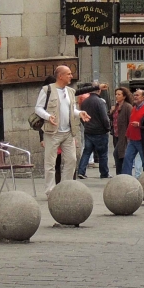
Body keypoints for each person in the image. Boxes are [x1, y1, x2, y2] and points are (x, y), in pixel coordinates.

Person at [34, 65, 89, 194]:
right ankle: (50, 190)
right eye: (68, 74)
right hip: (52, 132)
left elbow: (71, 109)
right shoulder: (47, 90)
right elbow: (38, 108)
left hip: (68, 132)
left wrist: (79, 113)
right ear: (60, 76)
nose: (71, 76)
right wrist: (48, 116)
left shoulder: (70, 91)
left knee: (72, 160)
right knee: (50, 163)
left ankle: (64, 189)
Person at [77, 82, 111, 179]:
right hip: (100, 131)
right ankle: (104, 173)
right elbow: (104, 118)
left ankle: (81, 171)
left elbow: (81, 116)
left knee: (87, 151)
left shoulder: (85, 102)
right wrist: (107, 128)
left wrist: (86, 125)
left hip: (88, 130)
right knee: (103, 154)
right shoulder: (100, 102)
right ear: (99, 90)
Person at [122, 88, 144, 175]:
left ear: (143, 97)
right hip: (133, 139)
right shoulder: (134, 108)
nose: (135, 97)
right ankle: (127, 178)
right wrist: (128, 134)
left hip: (142, 139)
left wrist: (140, 124)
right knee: (127, 159)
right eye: (134, 95)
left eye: (137, 95)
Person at [111, 87, 133, 176]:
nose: (116, 96)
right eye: (116, 94)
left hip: (124, 135)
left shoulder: (128, 107)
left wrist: (128, 134)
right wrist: (111, 112)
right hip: (116, 134)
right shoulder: (116, 106)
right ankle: (120, 174)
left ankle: (122, 174)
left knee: (119, 154)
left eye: (119, 94)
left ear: (124, 96)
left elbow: (130, 121)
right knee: (119, 155)